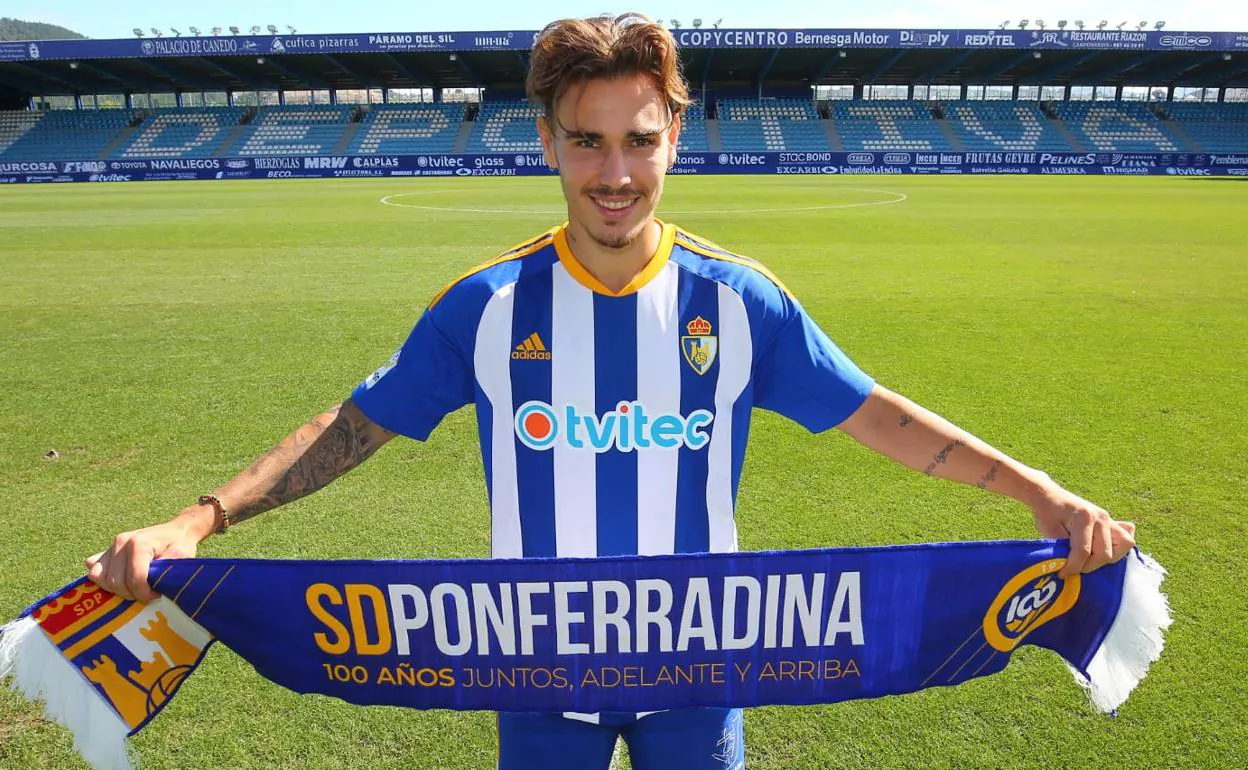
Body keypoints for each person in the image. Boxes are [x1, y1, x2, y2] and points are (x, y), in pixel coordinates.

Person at [86, 13, 1137, 770]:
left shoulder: (738, 302)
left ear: (676, 140)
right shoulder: (488, 304)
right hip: (537, 669)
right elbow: (355, 425)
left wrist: (1034, 488)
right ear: (546, 143)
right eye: (586, 140)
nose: (614, 172)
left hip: (700, 667)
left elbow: (878, 414)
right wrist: (198, 516)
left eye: (639, 140)